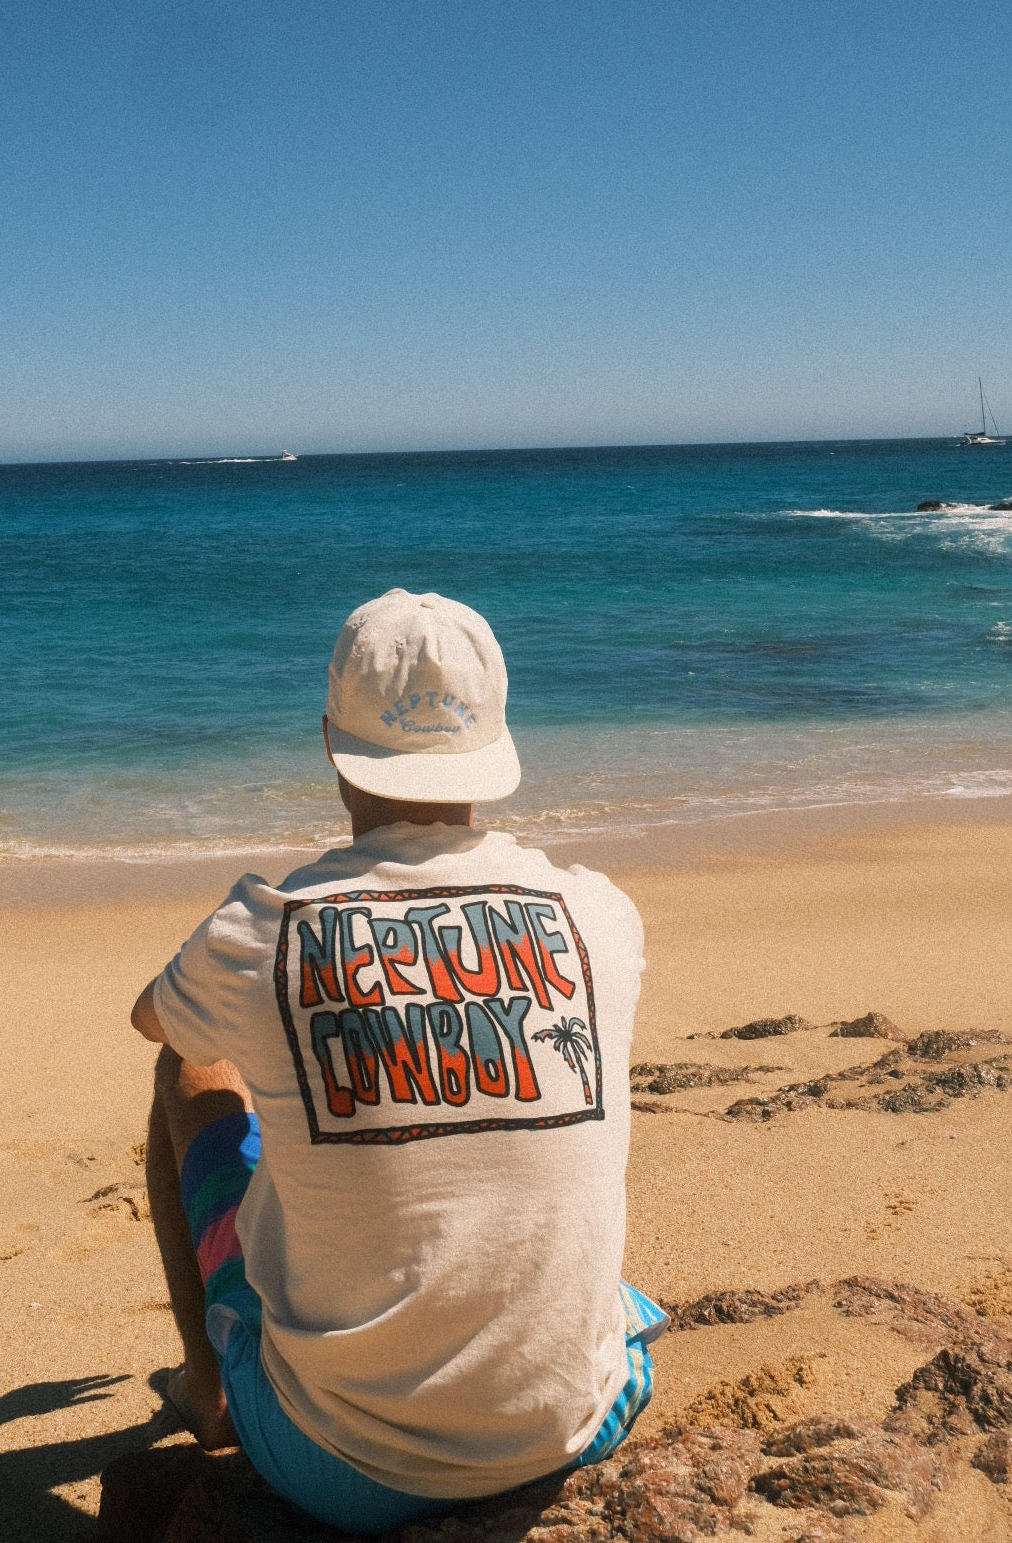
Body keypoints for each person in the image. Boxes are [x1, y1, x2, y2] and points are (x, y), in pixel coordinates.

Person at [131, 587, 667, 1535]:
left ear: (331, 743)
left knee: (189, 1073)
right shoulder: (599, 913)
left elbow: (156, 1022)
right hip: (579, 1422)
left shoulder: (263, 929)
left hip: (340, 1468)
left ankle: (211, 1392)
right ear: (496, 750)